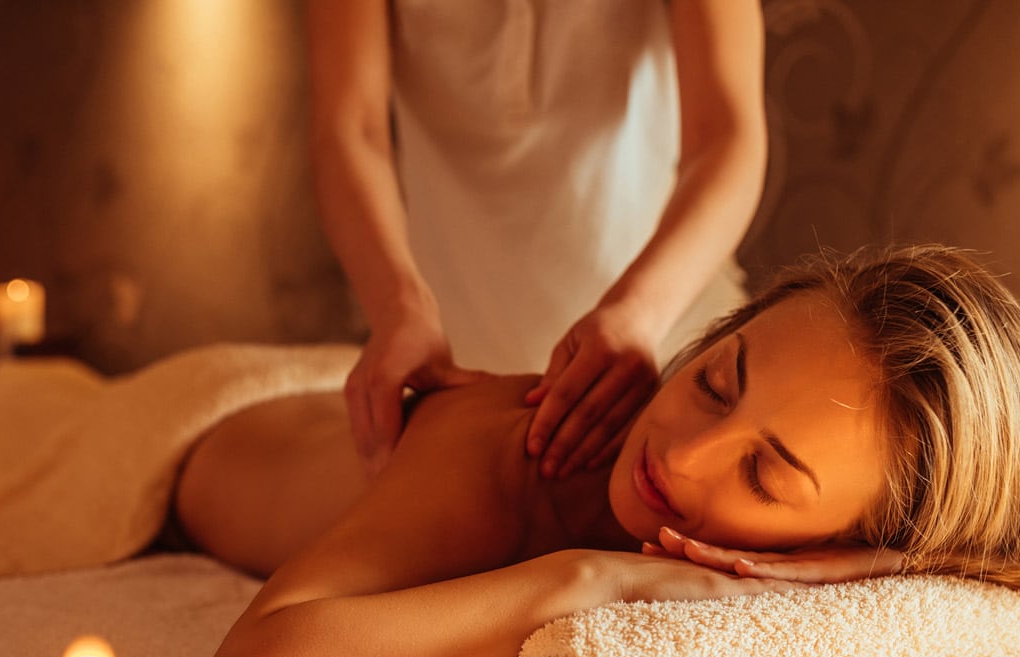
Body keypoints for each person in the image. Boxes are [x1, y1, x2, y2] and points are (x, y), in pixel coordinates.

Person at [176, 245, 1020, 657]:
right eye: (716, 380)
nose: (686, 450)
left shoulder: (861, 547)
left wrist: (902, 569)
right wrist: (589, 578)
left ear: (845, 535)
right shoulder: (510, 456)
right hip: (212, 421)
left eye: (766, 475)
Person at [309, 0, 766, 482]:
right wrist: (396, 309)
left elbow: (725, 136)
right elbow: (351, 129)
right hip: (452, 374)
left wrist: (637, 315)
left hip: (672, 351)